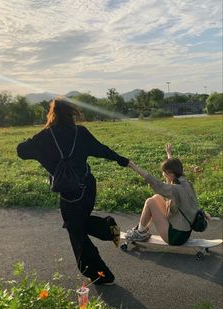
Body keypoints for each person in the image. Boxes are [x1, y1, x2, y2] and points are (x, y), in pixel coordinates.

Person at [17, 98, 129, 285]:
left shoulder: (45, 137)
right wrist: (121, 160)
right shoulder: (81, 133)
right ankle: (108, 229)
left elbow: (21, 151)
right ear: (71, 114)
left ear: (52, 114)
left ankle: (100, 272)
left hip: (68, 194)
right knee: (79, 225)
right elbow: (102, 150)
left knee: (76, 231)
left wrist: (40, 136)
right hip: (87, 188)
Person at [126, 144, 210, 246]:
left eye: (163, 172)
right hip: (183, 232)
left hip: (175, 236)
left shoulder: (175, 189)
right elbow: (173, 169)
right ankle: (141, 230)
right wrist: (169, 154)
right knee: (156, 197)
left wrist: (134, 167)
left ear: (170, 173)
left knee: (150, 201)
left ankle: (140, 233)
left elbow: (154, 182)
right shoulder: (185, 182)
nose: (162, 174)